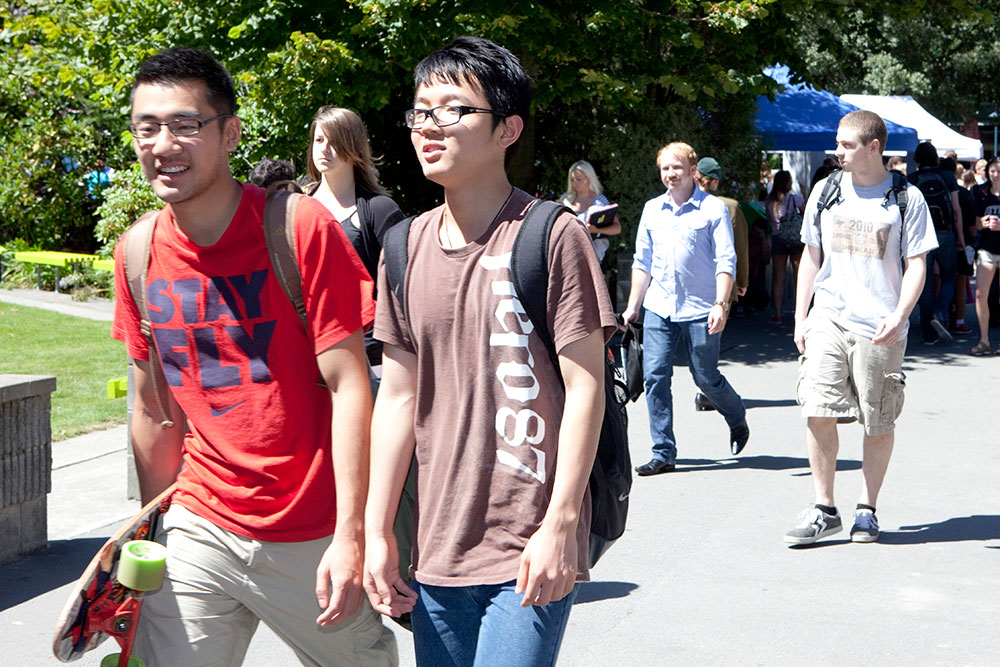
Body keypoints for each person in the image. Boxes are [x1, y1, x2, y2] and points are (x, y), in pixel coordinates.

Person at [112, 47, 397, 665]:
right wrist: (148, 535)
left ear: (230, 132)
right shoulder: (136, 253)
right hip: (197, 522)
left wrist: (352, 534)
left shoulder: (298, 228)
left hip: (313, 533)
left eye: (186, 124)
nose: (164, 143)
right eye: (147, 127)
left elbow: (352, 386)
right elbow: (153, 408)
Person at [363, 36, 616, 667]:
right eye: (421, 111)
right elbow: (396, 397)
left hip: (527, 541)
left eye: (453, 110)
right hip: (436, 545)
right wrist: (375, 533)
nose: (430, 127)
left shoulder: (551, 236)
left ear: (507, 129)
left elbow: (587, 385)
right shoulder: (403, 246)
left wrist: (561, 523)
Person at [785, 110, 936, 546]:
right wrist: (801, 317)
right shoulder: (826, 190)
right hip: (829, 316)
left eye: (847, 145)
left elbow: (917, 264)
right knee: (816, 405)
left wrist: (901, 312)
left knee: (878, 417)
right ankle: (823, 508)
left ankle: (867, 510)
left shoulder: (906, 198)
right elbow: (810, 257)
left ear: (874, 148)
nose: (838, 151)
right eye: (838, 143)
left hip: (880, 324)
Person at [622, 142, 749, 477]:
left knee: (705, 377)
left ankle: (736, 417)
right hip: (659, 307)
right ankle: (663, 451)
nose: (670, 174)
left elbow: (726, 260)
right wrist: (633, 307)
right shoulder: (652, 210)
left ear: (692, 170)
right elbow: (642, 262)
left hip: (701, 308)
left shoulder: (712, 209)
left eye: (676, 167)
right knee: (655, 377)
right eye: (664, 168)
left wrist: (721, 305)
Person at [305, 106, 405, 374]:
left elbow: (403, 287)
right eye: (319, 139)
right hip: (309, 356)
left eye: (334, 141)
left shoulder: (380, 210)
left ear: (354, 147)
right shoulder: (295, 209)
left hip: (372, 359)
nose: (324, 149)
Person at [908, 142, 965, 345]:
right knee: (949, 277)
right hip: (944, 233)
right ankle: (939, 312)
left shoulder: (912, 179)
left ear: (917, 160)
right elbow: (956, 210)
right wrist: (960, 237)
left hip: (921, 236)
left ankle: (928, 334)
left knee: (924, 283)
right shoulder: (947, 177)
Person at [560, 160, 622, 264]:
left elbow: (617, 228)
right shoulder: (564, 200)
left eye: (578, 179)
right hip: (567, 252)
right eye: (572, 180)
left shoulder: (600, 201)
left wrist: (596, 230)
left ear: (589, 179)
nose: (574, 183)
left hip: (594, 254)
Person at [764, 170, 805, 324]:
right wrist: (805, 193)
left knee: (778, 277)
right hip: (794, 239)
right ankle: (800, 313)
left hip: (778, 238)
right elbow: (806, 215)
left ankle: (778, 314)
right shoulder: (796, 199)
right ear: (788, 183)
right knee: (798, 276)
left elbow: (769, 222)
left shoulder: (769, 201)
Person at [970, 156, 1000, 355]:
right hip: (987, 250)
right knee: (981, 294)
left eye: (999, 171)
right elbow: (975, 224)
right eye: (992, 171)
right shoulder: (980, 193)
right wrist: (985, 221)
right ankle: (984, 340)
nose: (996, 175)